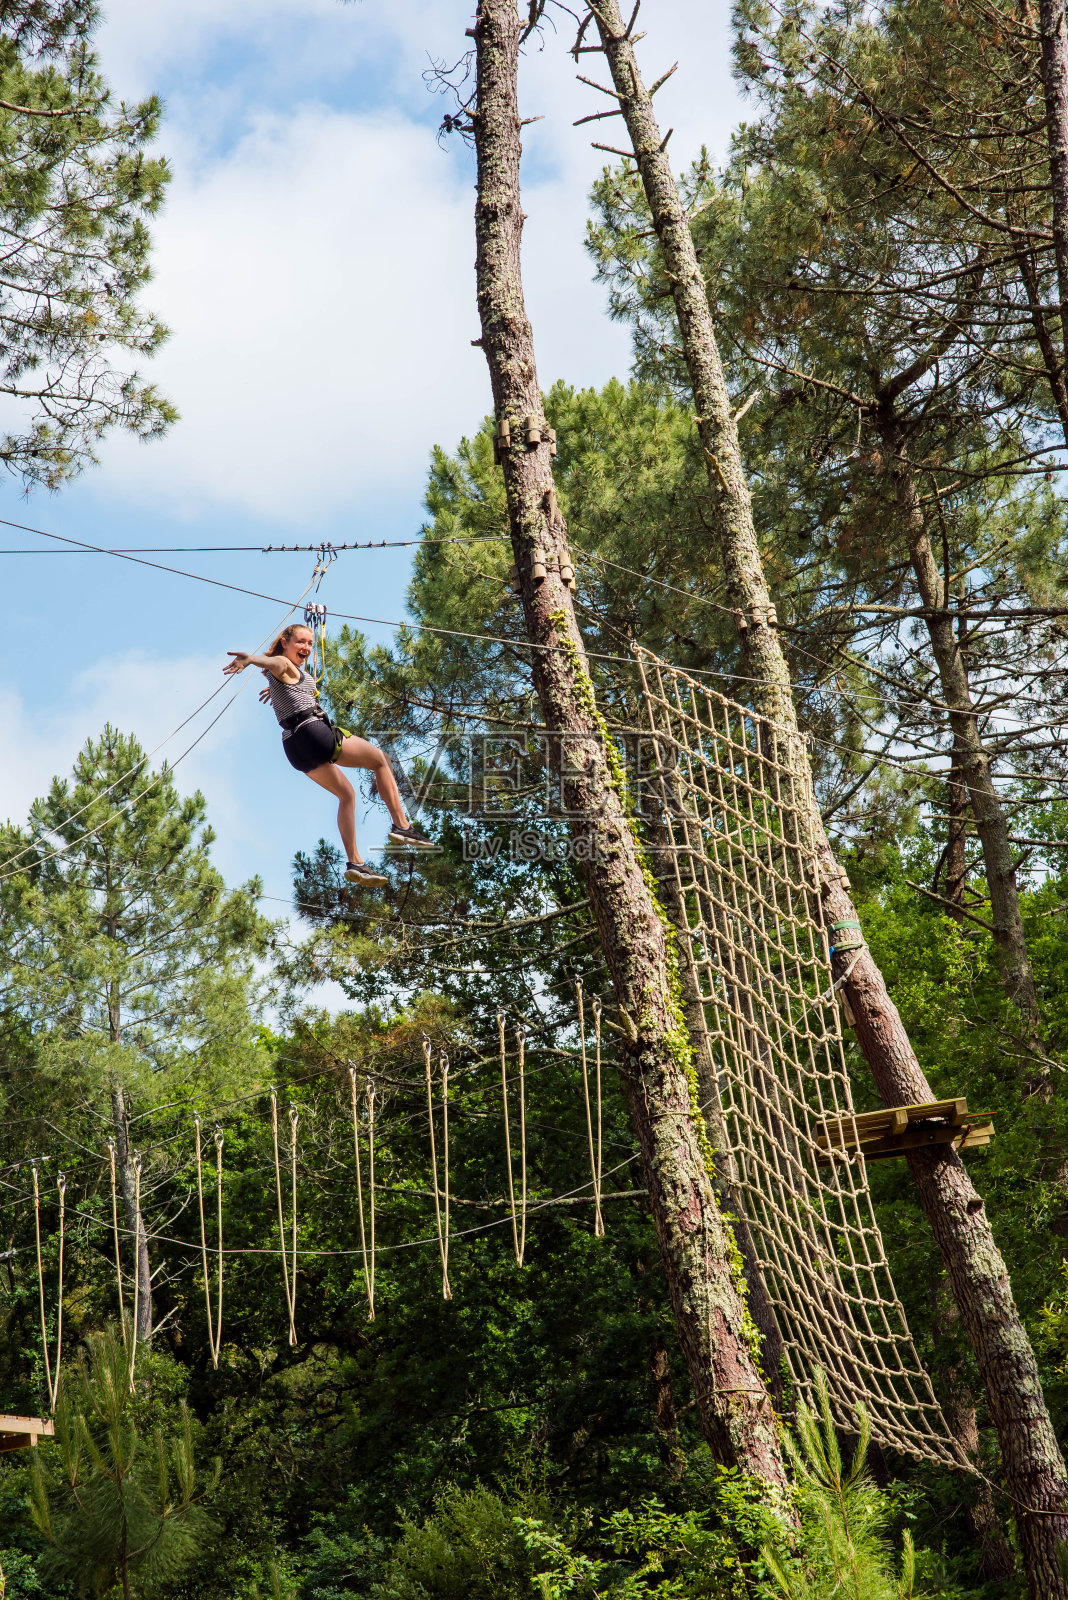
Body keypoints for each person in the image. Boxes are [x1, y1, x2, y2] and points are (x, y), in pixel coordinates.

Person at [225, 622, 432, 887]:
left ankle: (355, 863)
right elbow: (276, 663)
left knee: (347, 795)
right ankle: (402, 825)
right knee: (381, 760)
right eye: (301, 642)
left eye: (310, 643)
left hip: (295, 748)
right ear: (285, 642)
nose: (307, 647)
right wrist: (251, 659)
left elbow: (282, 676)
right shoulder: (283, 664)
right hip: (313, 733)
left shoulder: (282, 676)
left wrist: (274, 689)